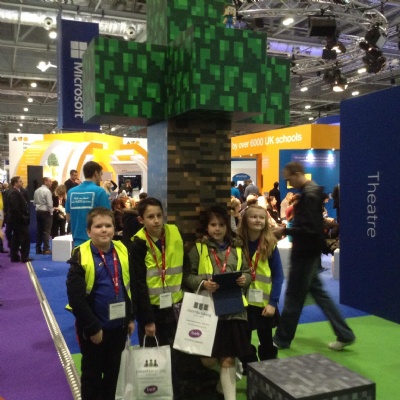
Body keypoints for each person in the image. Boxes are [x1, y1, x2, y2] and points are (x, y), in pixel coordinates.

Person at [272, 162, 355, 351]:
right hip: (309, 253)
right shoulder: (312, 193)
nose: (289, 183)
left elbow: (309, 229)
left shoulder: (309, 195)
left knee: (293, 298)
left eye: (289, 178)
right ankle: (345, 334)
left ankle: (281, 339)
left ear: (297, 173)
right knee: (320, 295)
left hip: (304, 254)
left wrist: (284, 230)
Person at [184, 205, 252, 400]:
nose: (217, 228)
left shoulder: (237, 248)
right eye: (213, 224)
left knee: (228, 358)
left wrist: (244, 279)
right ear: (206, 227)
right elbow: (187, 276)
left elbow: (248, 272)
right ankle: (225, 377)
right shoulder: (198, 249)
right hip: (208, 311)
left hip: (233, 310)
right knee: (208, 360)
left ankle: (229, 390)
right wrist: (203, 283)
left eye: (221, 225)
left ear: (227, 227)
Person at [66, 207, 135, 400]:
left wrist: (130, 317)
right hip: (94, 328)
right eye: (98, 226)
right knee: (92, 375)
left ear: (114, 228)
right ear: (89, 232)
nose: (104, 230)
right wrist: (93, 327)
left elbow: (128, 287)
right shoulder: (80, 256)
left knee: (113, 374)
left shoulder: (122, 250)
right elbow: (76, 299)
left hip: (118, 326)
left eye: (108, 225)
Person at [128, 197, 189, 399]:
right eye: (150, 217)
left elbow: (185, 265)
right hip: (152, 311)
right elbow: (138, 285)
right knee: (153, 360)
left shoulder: (175, 232)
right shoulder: (137, 243)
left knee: (177, 359)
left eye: (159, 216)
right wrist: (147, 320)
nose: (156, 221)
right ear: (141, 220)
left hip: (176, 307)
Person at [236, 205, 284, 367]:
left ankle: (268, 367)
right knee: (245, 338)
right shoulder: (236, 244)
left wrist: (273, 303)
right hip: (243, 301)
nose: (258, 220)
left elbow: (278, 276)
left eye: (262, 217)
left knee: (266, 338)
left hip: (264, 303)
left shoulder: (270, 244)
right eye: (253, 217)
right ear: (245, 220)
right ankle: (248, 367)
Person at [65, 161, 111, 247]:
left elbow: (68, 217)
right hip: (96, 243)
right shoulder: (100, 191)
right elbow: (107, 217)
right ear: (96, 173)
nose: (101, 179)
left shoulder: (71, 192)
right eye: (101, 175)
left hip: (77, 242)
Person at [8, 176, 31, 262]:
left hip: (17, 220)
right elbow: (15, 208)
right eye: (20, 181)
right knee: (25, 238)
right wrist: (23, 217)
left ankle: (14, 256)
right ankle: (24, 257)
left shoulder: (16, 192)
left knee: (16, 238)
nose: (22, 182)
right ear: (15, 183)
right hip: (19, 220)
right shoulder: (14, 193)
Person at [33, 177, 53, 255]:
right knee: (46, 231)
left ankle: (38, 248)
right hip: (46, 212)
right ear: (45, 182)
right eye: (50, 181)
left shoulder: (37, 190)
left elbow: (34, 202)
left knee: (39, 231)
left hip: (38, 211)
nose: (51, 183)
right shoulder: (47, 191)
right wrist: (51, 212)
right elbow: (49, 204)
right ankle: (46, 249)